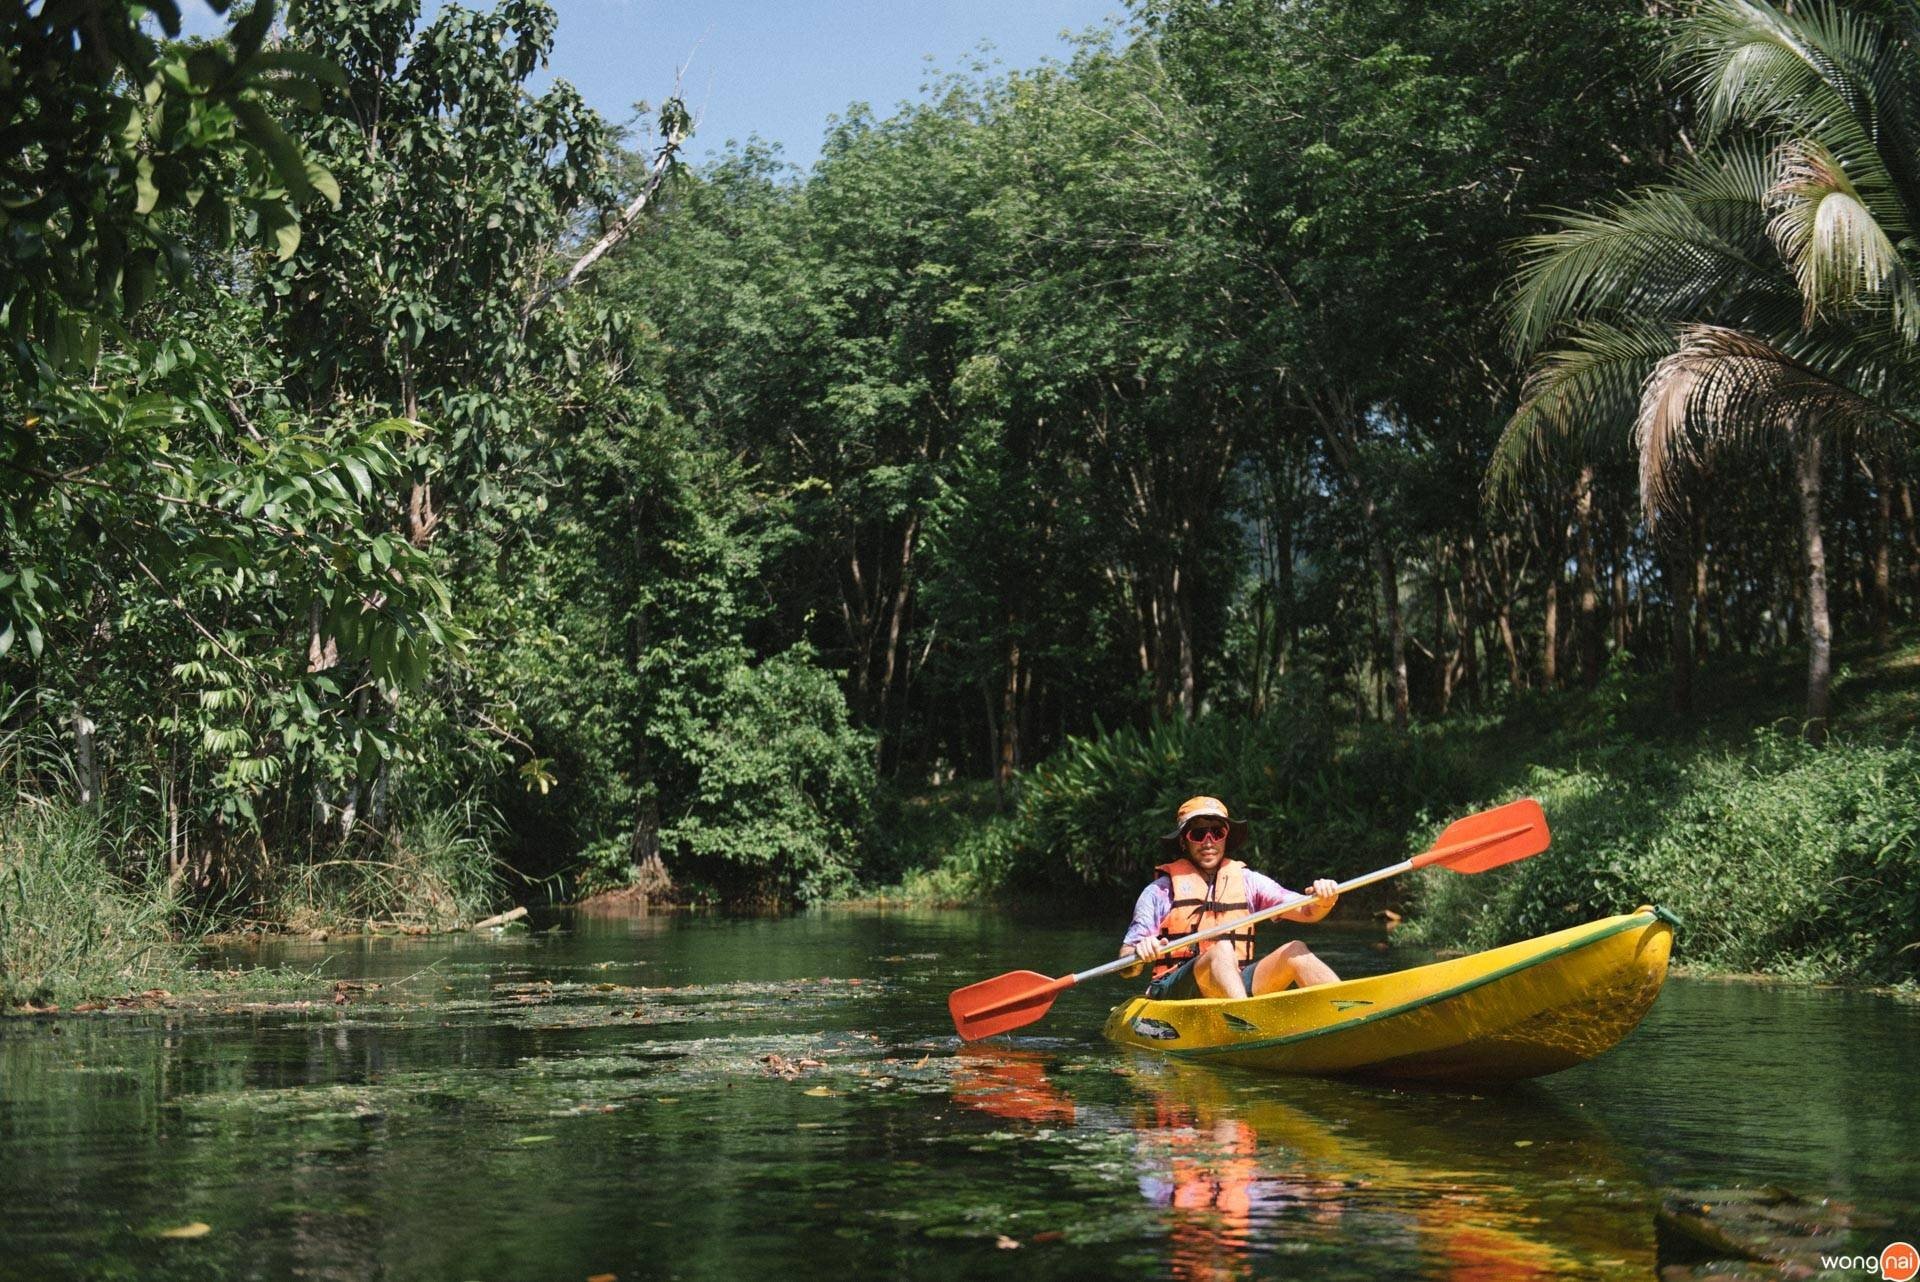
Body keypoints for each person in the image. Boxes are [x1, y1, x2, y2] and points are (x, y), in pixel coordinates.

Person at [1119, 795, 1340, 1001]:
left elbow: (1308, 911)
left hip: (1232, 985)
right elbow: (1126, 965)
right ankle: (1245, 1020)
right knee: (1221, 949)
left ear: (1226, 837)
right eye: (1198, 834)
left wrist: (1324, 900)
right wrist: (1139, 953)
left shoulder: (1248, 882)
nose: (1208, 841)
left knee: (1295, 950)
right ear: (1183, 842)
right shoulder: (1159, 892)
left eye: (1216, 833)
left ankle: (1347, 1008)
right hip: (1174, 991)